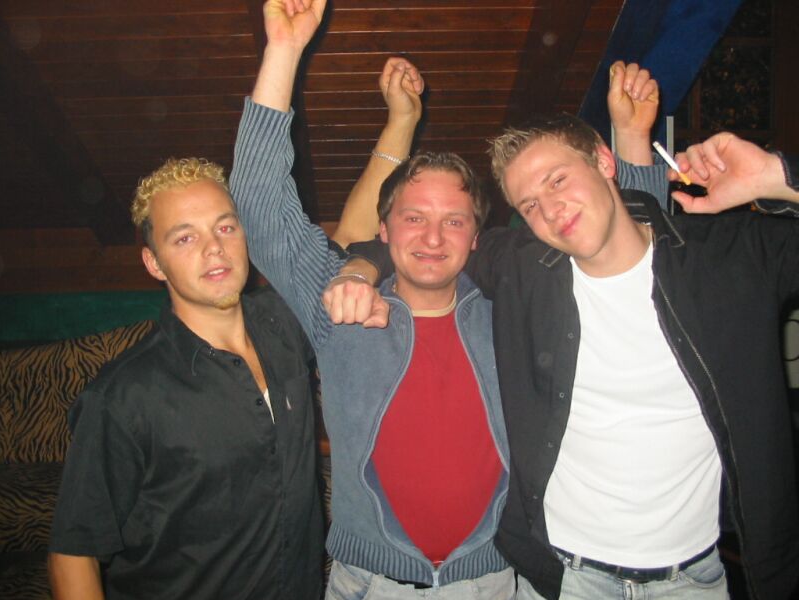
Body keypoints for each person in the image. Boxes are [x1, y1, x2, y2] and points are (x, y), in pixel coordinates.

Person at [333, 111, 799, 597]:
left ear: (604, 161)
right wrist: (360, 269)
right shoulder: (524, 268)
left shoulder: (730, 257)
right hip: (565, 578)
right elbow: (428, 244)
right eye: (530, 204)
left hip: (693, 580)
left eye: (557, 180)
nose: (551, 210)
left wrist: (778, 177)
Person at [229, 1, 517, 597]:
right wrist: (283, 50)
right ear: (382, 230)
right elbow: (258, 205)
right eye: (413, 218)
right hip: (369, 582)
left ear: (477, 237)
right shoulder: (341, 303)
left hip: (491, 580)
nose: (432, 238)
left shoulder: (511, 311)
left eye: (454, 221)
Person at [46, 156, 327, 599]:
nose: (214, 248)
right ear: (154, 263)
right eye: (185, 237)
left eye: (225, 227)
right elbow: (72, 555)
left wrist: (399, 124)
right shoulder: (122, 397)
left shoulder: (284, 325)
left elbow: (348, 239)